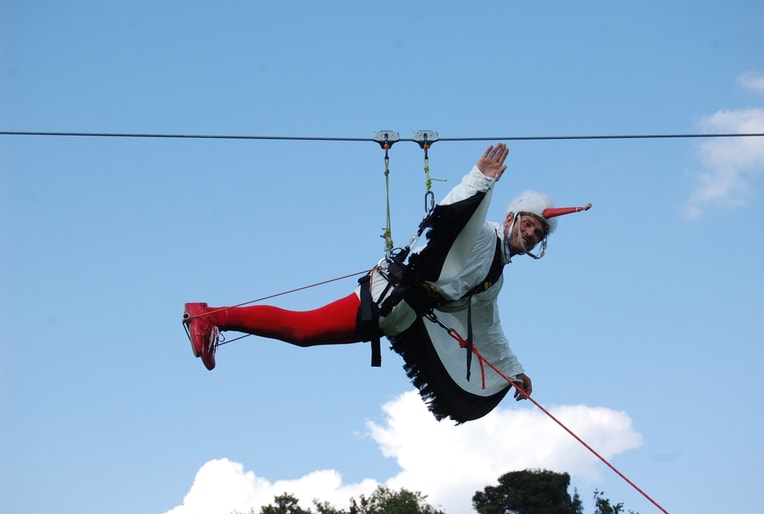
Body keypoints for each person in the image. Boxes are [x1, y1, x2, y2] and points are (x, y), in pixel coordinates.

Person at [183, 143, 590, 423]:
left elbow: (488, 328)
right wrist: (480, 181)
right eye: (531, 224)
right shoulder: (482, 234)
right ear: (513, 219)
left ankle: (215, 317)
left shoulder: (496, 276)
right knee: (302, 329)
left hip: (399, 316)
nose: (533, 234)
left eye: (540, 233)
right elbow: (452, 217)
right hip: (389, 299)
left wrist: (514, 370)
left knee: (303, 332)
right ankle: (211, 316)